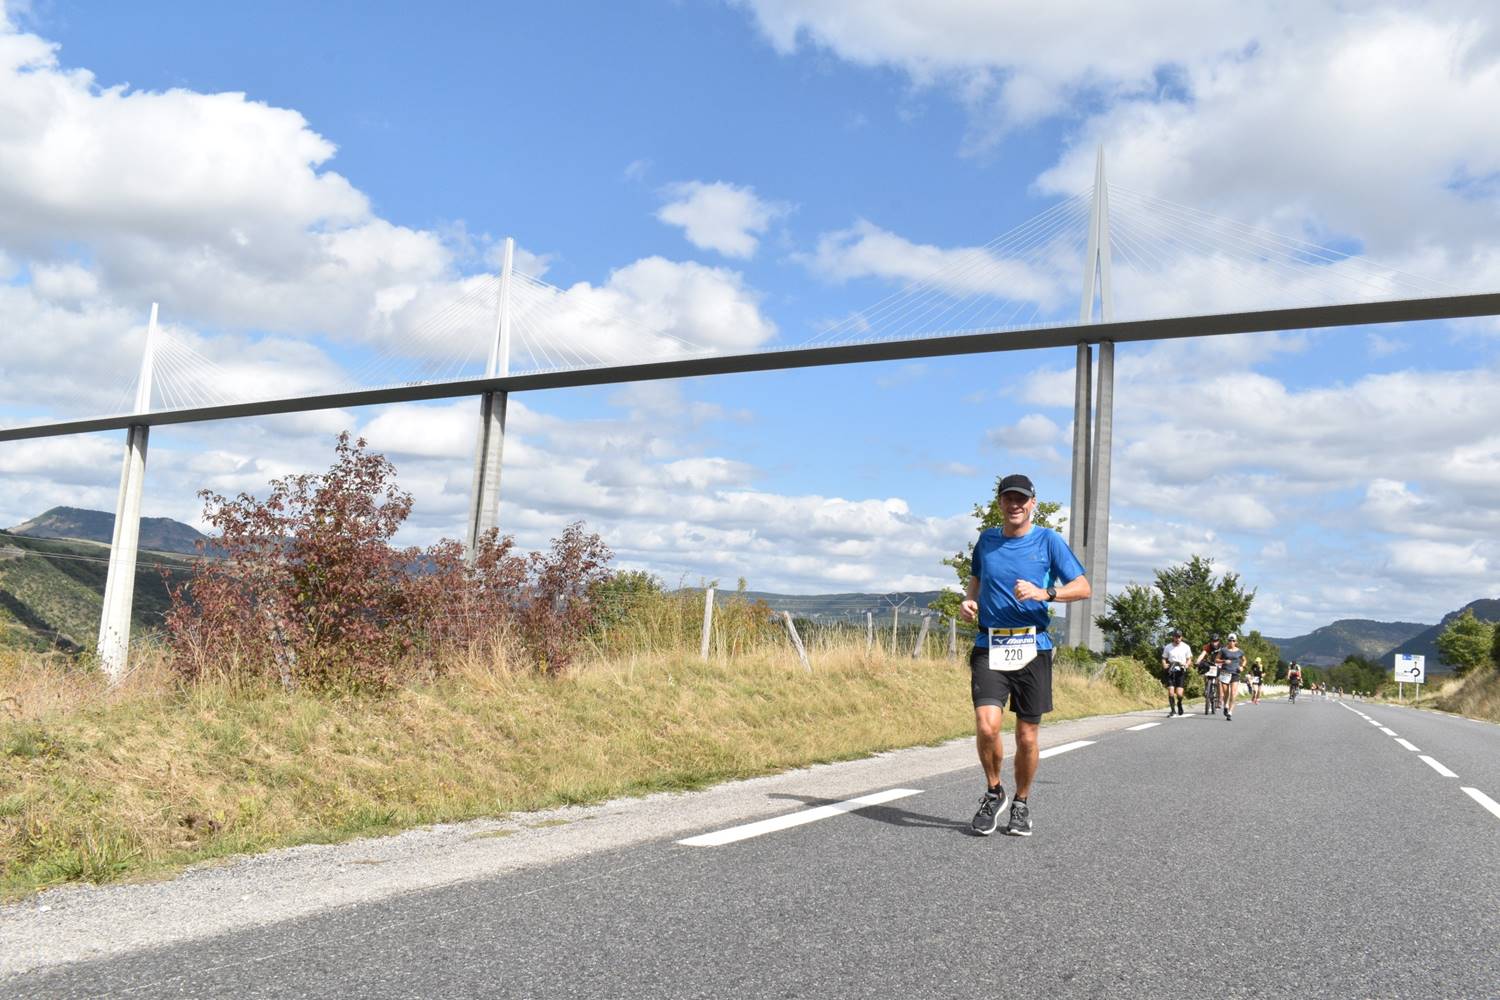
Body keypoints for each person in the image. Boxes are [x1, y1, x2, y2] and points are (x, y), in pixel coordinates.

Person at [959, 473, 1091, 838]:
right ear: (999, 503)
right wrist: (968, 601)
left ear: (1033, 502)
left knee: (1027, 738)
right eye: (1008, 499)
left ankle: (1021, 802)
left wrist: (1044, 593)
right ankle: (993, 790)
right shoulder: (986, 540)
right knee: (987, 725)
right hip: (990, 644)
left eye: (1021, 499)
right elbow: (976, 579)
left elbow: (1082, 587)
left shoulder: (1048, 540)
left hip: (1033, 647)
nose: (1014, 505)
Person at [1161, 628, 1192, 717]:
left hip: (1181, 670)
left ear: (1181, 637)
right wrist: (1164, 664)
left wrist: (1187, 664)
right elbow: (1164, 658)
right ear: (1173, 637)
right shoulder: (1168, 647)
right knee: (1171, 692)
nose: (1177, 638)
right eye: (1176, 637)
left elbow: (1189, 658)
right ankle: (1173, 710)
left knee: (1179, 694)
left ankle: (1179, 703)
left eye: (1179, 637)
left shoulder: (1186, 647)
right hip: (1171, 670)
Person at [1216, 632, 1245, 720]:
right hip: (1225, 672)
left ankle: (1230, 712)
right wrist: (1224, 661)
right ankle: (1225, 705)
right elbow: (1216, 659)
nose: (1231, 642)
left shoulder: (1240, 651)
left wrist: (1242, 666)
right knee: (1226, 693)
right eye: (1230, 640)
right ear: (1227, 641)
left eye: (1233, 640)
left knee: (1233, 693)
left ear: (1236, 641)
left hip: (1235, 673)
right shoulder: (1223, 650)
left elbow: (1244, 660)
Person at [1196, 635, 1221, 714]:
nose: (1214, 643)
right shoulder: (1208, 646)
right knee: (1206, 674)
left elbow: (1225, 656)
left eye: (1216, 641)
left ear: (1218, 641)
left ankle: (1219, 699)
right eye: (1213, 641)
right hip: (1211, 664)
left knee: (1219, 681)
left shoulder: (1222, 647)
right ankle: (1207, 688)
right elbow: (1202, 654)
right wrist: (1197, 661)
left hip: (1219, 663)